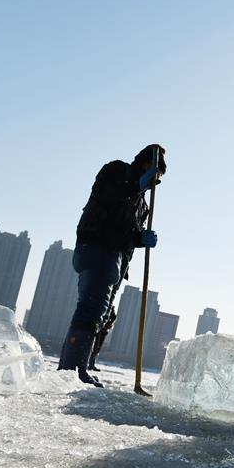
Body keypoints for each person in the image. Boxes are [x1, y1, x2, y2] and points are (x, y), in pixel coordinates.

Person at [58, 144, 166, 387]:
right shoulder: (117, 171)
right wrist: (134, 186)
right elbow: (108, 196)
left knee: (100, 313)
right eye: (155, 173)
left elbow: (127, 233)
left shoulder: (143, 205)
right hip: (96, 249)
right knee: (92, 309)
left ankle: (71, 368)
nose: (155, 180)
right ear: (145, 165)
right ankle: (73, 370)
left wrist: (141, 239)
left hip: (117, 260)